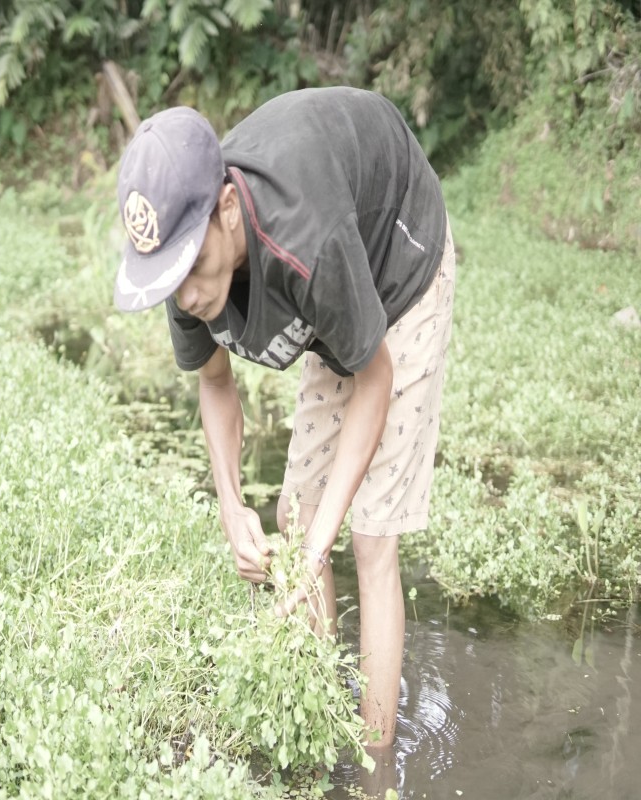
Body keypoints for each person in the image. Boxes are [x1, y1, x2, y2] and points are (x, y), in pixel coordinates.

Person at [113, 87, 456, 749]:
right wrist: (230, 505)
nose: (189, 296)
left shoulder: (306, 238)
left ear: (228, 209)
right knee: (296, 516)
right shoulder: (183, 268)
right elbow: (215, 382)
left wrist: (321, 545)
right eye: (172, 278)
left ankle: (376, 760)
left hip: (398, 259)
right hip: (336, 282)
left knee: (369, 537)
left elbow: (375, 377)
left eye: (195, 266)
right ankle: (319, 729)